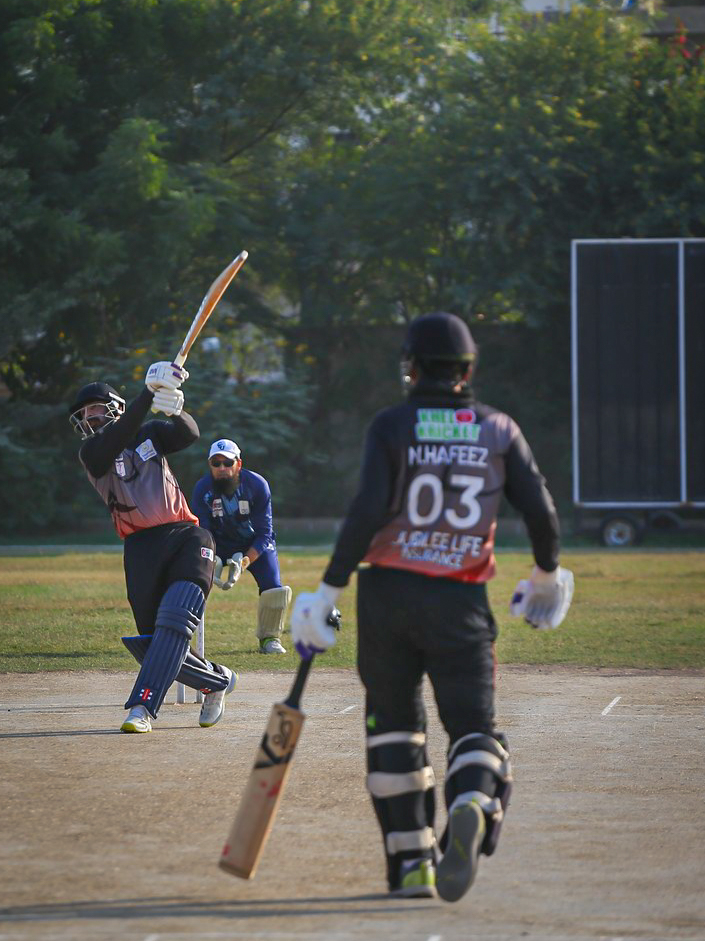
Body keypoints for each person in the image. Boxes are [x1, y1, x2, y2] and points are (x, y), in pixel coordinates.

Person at [291, 312, 574, 902]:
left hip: (387, 598)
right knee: (472, 729)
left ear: (412, 368)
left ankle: (412, 866)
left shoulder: (392, 424)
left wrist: (328, 591)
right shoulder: (498, 427)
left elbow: (368, 508)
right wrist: (546, 573)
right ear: (467, 370)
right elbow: (541, 511)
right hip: (460, 599)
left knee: (392, 732)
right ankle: (471, 799)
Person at [68, 362, 238, 734]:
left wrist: (175, 409)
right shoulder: (92, 454)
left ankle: (142, 707)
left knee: (175, 620)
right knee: (153, 644)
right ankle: (217, 680)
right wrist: (148, 393)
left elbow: (189, 434)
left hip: (186, 537)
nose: (89, 416)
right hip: (140, 548)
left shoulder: (148, 434)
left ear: (115, 406)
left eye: (95, 408)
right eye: (83, 413)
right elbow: (113, 442)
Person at [191, 439, 291, 655]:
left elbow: (265, 533)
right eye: (216, 463)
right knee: (191, 581)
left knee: (274, 588)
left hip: (252, 544)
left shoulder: (257, 485)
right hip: (218, 544)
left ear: (239, 464)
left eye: (228, 462)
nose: (222, 468)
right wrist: (212, 557)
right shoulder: (202, 489)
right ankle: (181, 637)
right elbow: (202, 531)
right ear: (210, 465)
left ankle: (270, 638)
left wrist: (244, 562)